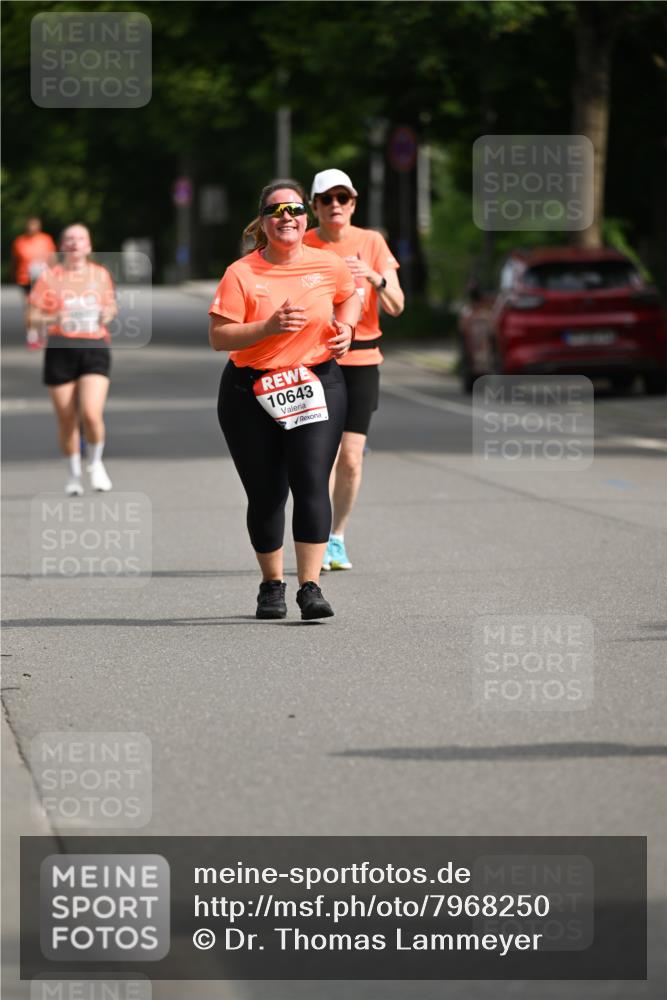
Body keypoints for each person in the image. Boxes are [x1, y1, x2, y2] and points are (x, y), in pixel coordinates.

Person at [209, 179, 360, 620]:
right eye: (276, 211)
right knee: (267, 492)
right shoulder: (242, 273)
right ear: (263, 221)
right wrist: (268, 327)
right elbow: (219, 336)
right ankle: (271, 585)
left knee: (311, 480)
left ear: (305, 217)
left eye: (294, 209)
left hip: (316, 383)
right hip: (250, 390)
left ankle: (310, 586)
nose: (286, 217)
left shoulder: (327, 264)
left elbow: (348, 296)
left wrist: (347, 329)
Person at [304, 169, 405, 571]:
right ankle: (314, 533)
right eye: (326, 199)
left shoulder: (371, 243)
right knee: (319, 458)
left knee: (350, 457)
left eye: (342, 199)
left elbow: (398, 305)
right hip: (317, 359)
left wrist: (375, 277)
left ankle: (336, 538)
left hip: (362, 360)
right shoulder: (304, 245)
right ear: (313, 206)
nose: (334, 206)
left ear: (353, 204)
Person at [29, 224, 117, 496]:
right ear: (62, 246)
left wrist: (107, 315)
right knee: (67, 418)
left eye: (80, 239)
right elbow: (31, 318)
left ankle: (96, 463)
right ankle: (74, 474)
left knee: (91, 412)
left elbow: (111, 306)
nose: (75, 243)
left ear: (89, 246)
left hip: (94, 347)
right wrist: (55, 318)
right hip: (60, 349)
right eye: (69, 239)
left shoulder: (100, 274)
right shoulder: (49, 277)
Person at [11, 216, 57, 349]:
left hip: (43, 279)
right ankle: (32, 336)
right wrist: (14, 275)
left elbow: (52, 257)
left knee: (44, 306)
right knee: (30, 307)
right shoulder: (19, 241)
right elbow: (15, 260)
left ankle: (43, 334)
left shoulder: (45, 239)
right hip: (25, 279)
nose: (32, 228)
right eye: (30, 225)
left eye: (35, 225)